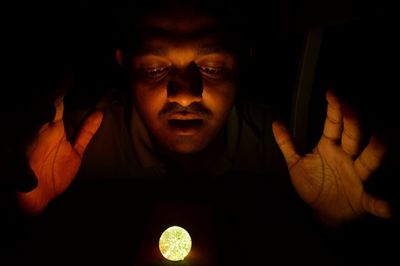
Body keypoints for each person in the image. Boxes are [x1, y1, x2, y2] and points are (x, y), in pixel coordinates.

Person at [5, 0, 397, 265]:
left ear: (242, 62)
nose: (186, 94)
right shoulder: (64, 150)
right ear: (125, 66)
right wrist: (20, 211)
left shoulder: (290, 151)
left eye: (210, 67)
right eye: (156, 69)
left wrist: (332, 224)